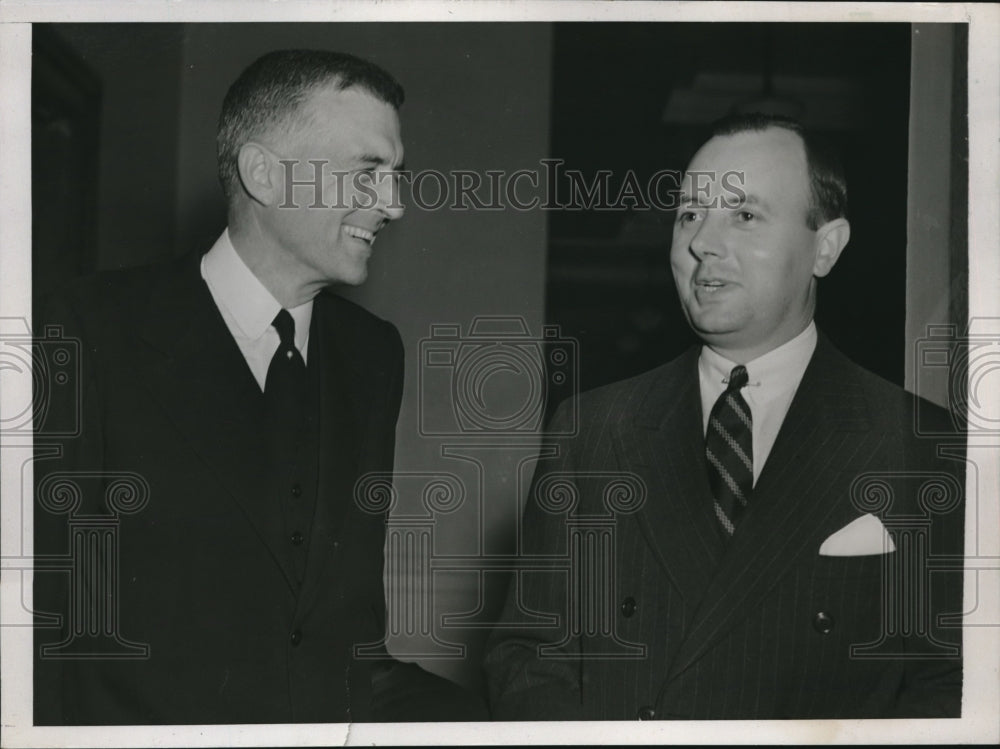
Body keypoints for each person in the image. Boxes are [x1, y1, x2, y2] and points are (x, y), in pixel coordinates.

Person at [34, 49, 483, 724]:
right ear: (264, 174)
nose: (393, 205)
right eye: (368, 173)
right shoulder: (85, 329)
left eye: (396, 176)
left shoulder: (372, 355)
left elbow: (346, 642)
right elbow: (39, 627)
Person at [484, 113, 965, 720]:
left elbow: (949, 682)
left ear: (826, 246)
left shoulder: (920, 444)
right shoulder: (593, 429)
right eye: (689, 214)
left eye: (743, 215)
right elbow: (527, 655)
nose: (701, 242)